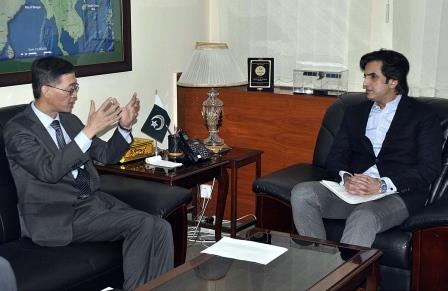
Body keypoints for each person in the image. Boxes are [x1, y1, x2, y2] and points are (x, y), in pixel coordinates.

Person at [3, 56, 173, 290]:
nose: (75, 95)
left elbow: (106, 155)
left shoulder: (69, 121)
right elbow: (49, 171)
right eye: (70, 89)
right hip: (58, 216)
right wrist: (90, 130)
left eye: (76, 88)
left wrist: (123, 128)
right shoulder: (18, 130)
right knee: (142, 224)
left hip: (92, 201)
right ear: (46, 90)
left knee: (161, 227)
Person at [291, 49, 443, 247]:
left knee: (364, 216)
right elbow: (336, 155)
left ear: (393, 81)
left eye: (373, 77)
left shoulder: (423, 115)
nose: (365, 83)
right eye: (365, 77)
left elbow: (429, 168)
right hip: (353, 190)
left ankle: (347, 275)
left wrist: (380, 184)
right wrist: (347, 178)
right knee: (303, 193)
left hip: (397, 194)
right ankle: (320, 264)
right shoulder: (354, 112)